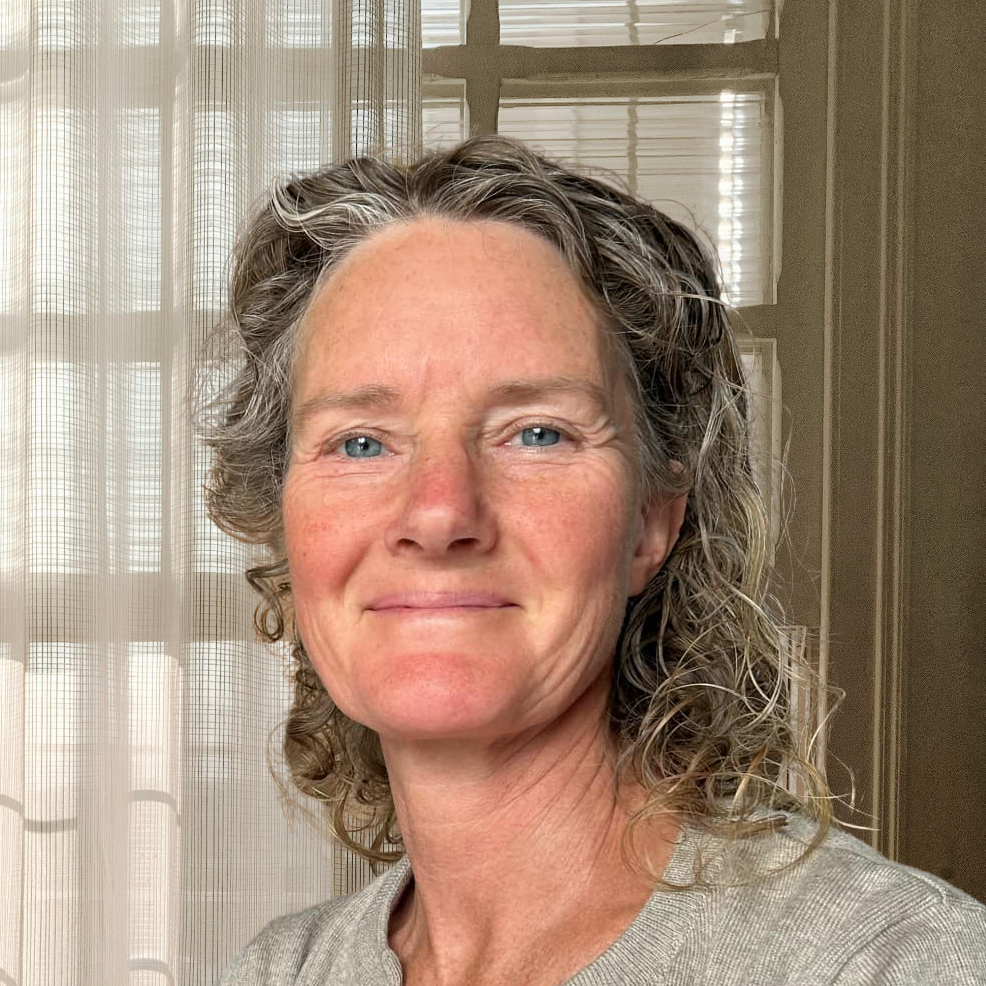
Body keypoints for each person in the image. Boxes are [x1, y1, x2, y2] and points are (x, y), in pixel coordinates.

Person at [197, 134, 986, 985]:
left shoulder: (887, 962)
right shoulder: (279, 970)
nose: (438, 512)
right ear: (281, 519)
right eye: (359, 443)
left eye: (538, 432)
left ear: (652, 520)